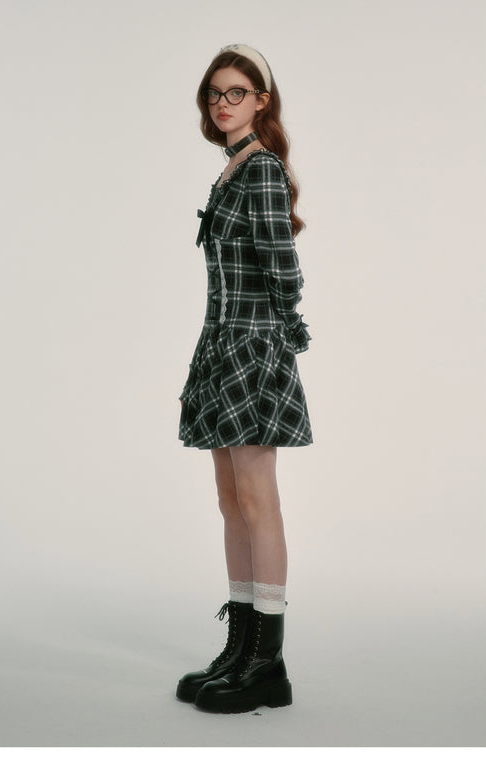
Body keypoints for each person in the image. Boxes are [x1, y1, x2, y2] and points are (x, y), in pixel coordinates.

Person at [176, 43, 313, 714]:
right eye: (214, 93)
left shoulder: (260, 169)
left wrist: (279, 334)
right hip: (221, 344)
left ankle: (268, 662)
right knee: (231, 502)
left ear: (261, 100)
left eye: (236, 92)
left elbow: (283, 268)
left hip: (252, 348)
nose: (222, 103)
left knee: (258, 502)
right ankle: (240, 646)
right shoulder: (230, 170)